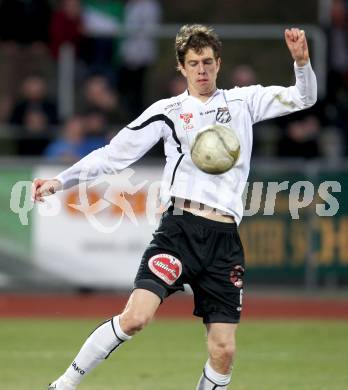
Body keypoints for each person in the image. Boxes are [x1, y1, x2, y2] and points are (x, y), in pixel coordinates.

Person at [32, 24, 317, 389]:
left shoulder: (243, 102)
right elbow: (113, 156)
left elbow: (303, 98)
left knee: (224, 350)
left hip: (224, 239)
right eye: (194, 63)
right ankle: (64, 384)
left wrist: (302, 62)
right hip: (179, 231)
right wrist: (61, 180)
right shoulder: (167, 111)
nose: (202, 69)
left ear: (219, 64)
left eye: (209, 62)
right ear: (181, 67)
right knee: (136, 317)